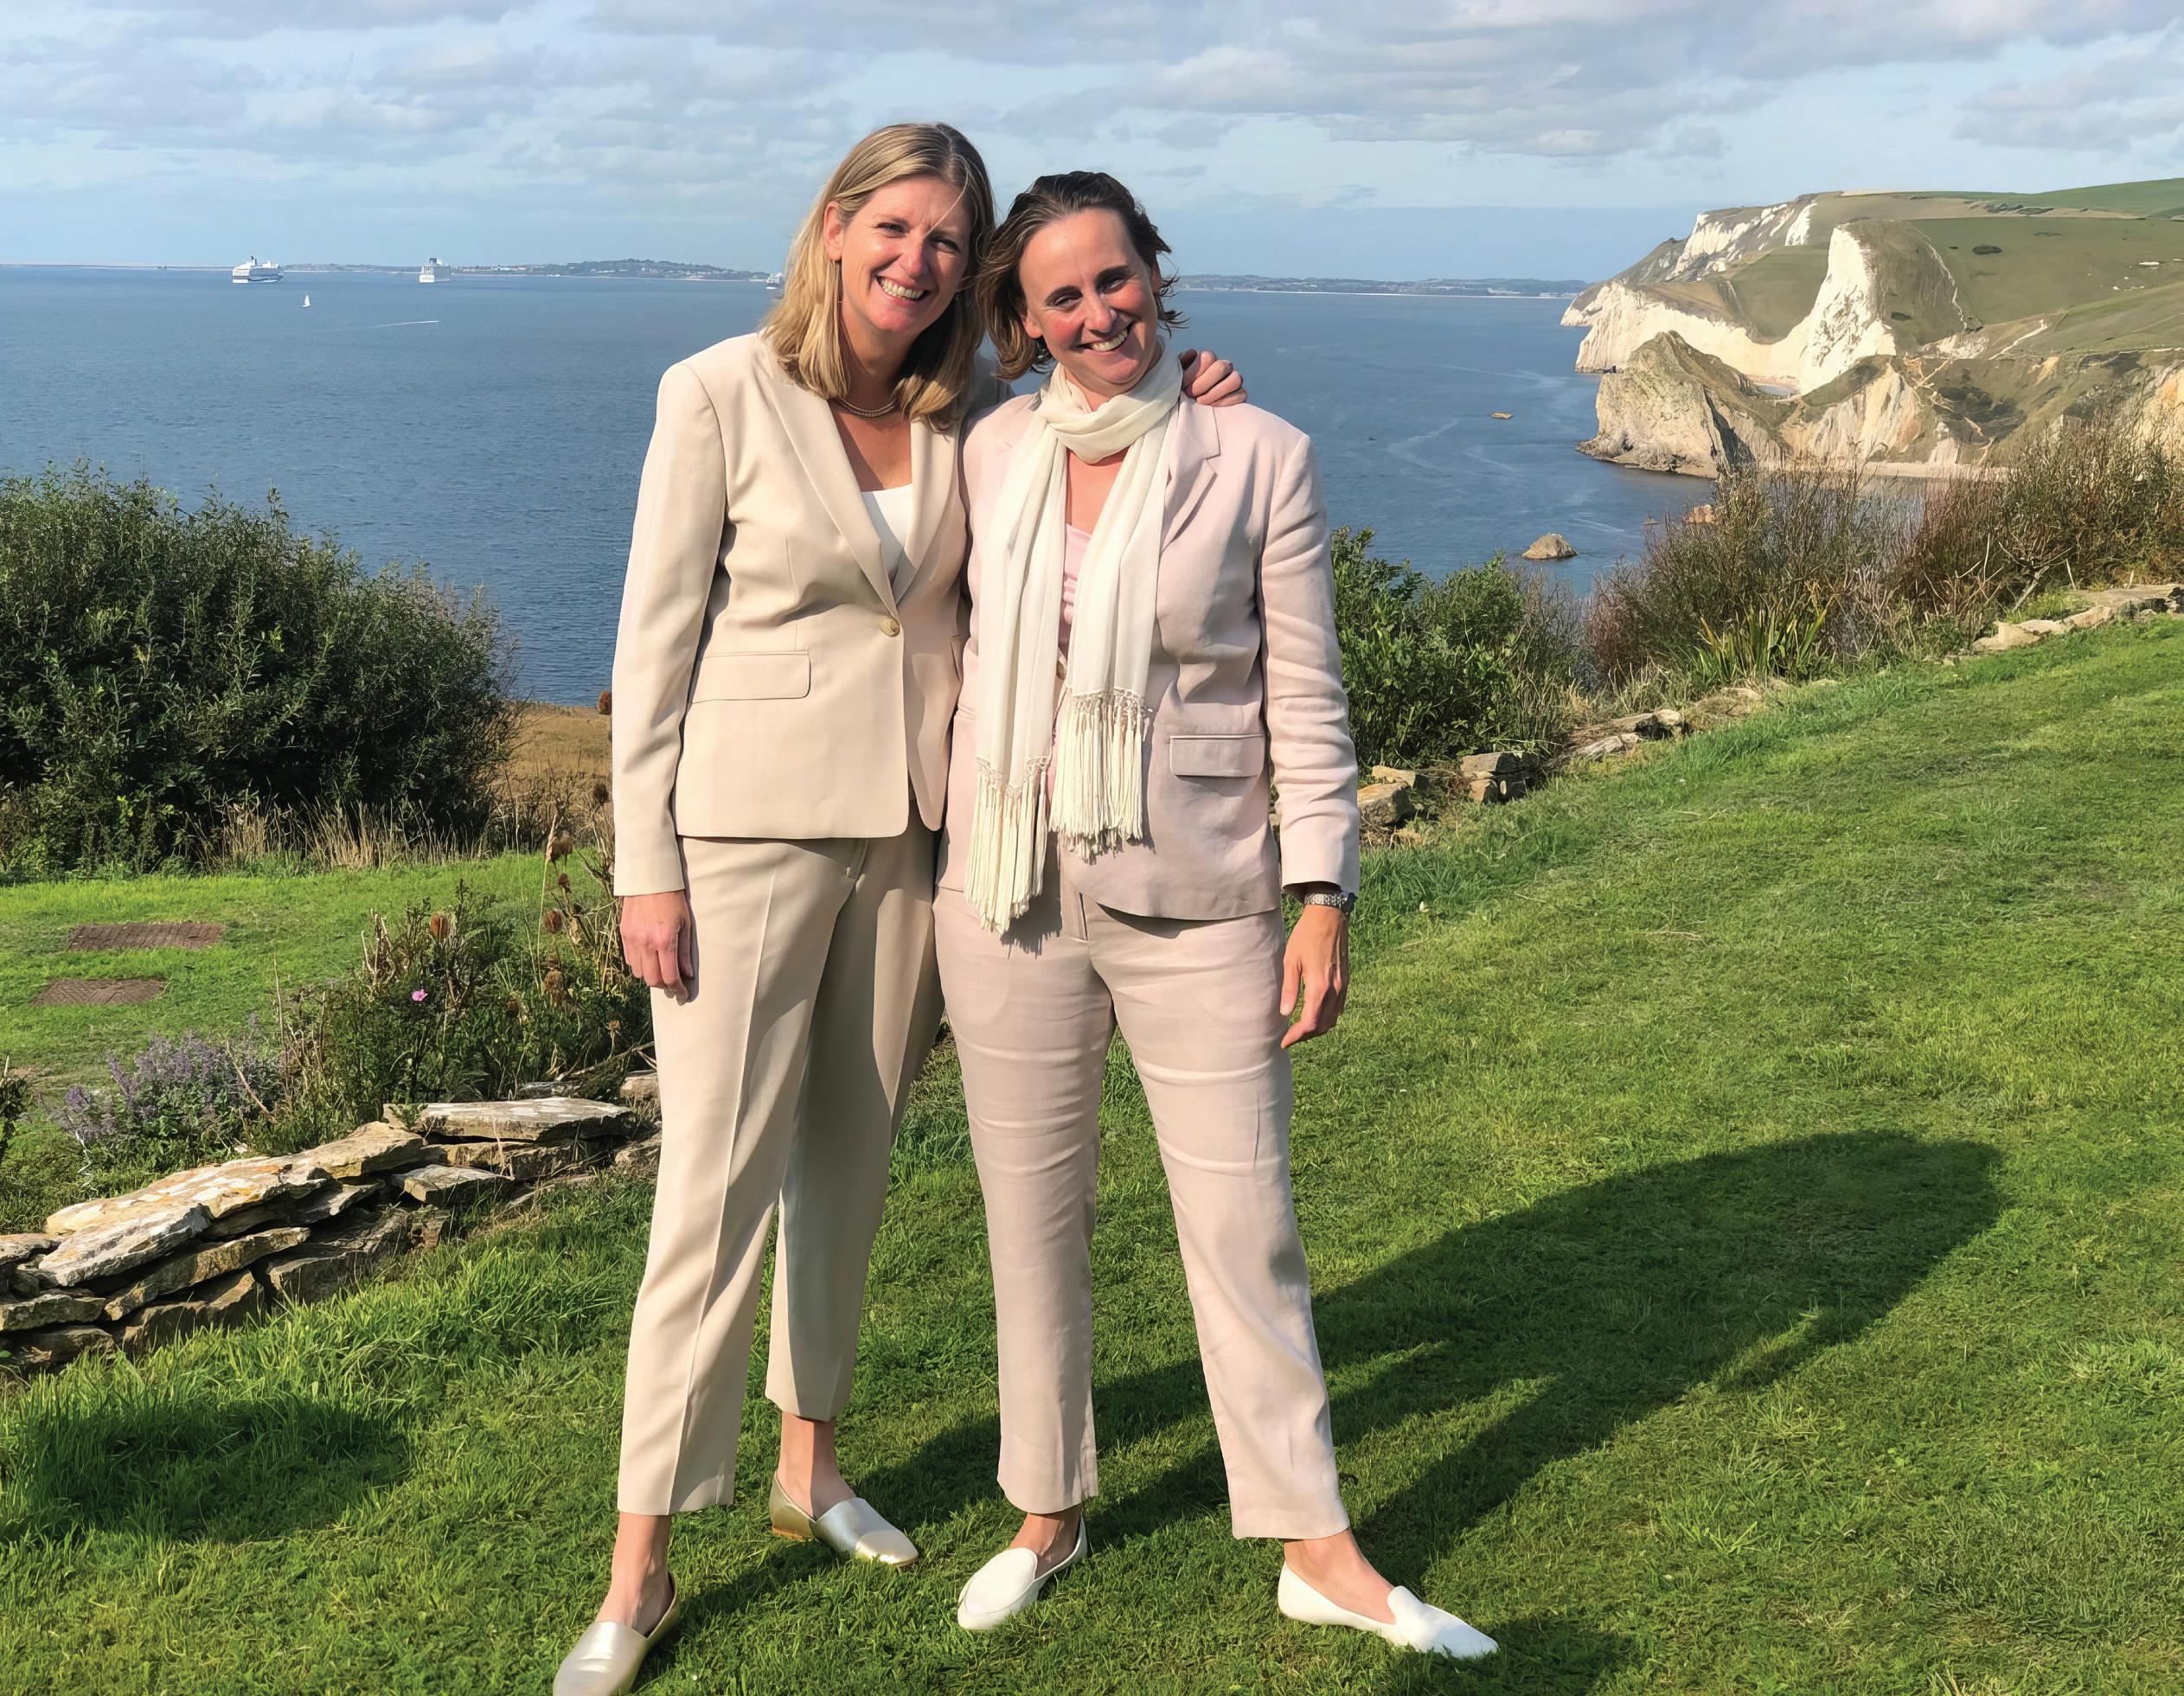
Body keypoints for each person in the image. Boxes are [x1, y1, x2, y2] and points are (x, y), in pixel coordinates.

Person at [556, 128, 1244, 1696]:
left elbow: (1105, 433)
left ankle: (809, 1464)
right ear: (833, 226)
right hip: (739, 840)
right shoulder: (715, 392)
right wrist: (642, 862)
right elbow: (650, 647)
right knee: (709, 1195)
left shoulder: (971, 416)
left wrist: (1194, 391)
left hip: (913, 838)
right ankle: (638, 1564)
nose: (917, 260)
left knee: (849, 1169)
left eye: (947, 240)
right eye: (894, 228)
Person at [931, 171, 1498, 1661]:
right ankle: (1045, 1508)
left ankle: (1314, 1541)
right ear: (1021, 320)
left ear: (1153, 272)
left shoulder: (1257, 453)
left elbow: (1305, 694)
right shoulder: (989, 450)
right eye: (1060, 295)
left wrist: (1323, 891)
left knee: (1245, 1226)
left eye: (1113, 277)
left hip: (1203, 893)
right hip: (1005, 893)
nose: (1096, 313)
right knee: (1027, 1218)